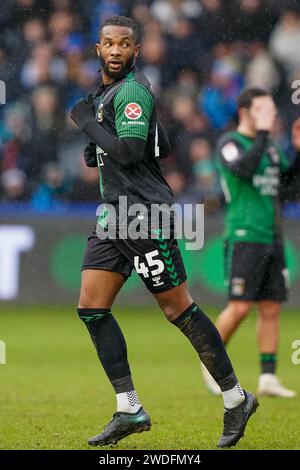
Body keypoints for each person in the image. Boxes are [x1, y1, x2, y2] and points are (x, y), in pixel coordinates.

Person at [70, 15, 258, 448]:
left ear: (136, 51)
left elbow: (133, 153)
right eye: (108, 44)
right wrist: (99, 142)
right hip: (113, 217)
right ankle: (129, 407)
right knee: (92, 308)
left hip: (144, 217)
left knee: (178, 310)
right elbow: (161, 145)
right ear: (98, 49)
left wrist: (88, 124)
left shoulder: (131, 89)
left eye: (124, 44)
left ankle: (236, 399)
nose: (115, 50)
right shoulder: (108, 93)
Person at [202, 88, 300, 398]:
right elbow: (242, 170)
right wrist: (261, 133)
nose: (272, 115)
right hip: (244, 235)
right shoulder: (230, 143)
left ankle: (268, 377)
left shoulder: (271, 147)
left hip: (272, 236)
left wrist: (298, 152)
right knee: (240, 307)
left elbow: (287, 188)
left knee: (271, 308)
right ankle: (209, 362)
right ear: (246, 111)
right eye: (265, 110)